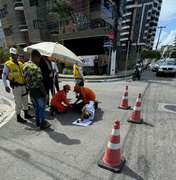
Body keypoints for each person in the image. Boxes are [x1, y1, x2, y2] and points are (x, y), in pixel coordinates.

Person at [2, 47, 33, 123]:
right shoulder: (8, 64)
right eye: (11, 54)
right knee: (18, 102)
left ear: (17, 54)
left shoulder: (20, 63)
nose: (13, 55)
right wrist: (6, 86)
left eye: (14, 54)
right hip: (16, 86)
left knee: (25, 100)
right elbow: (4, 75)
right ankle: (18, 117)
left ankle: (26, 114)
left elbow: (24, 74)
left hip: (23, 85)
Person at [22, 49, 51, 129]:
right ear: (35, 57)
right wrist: (45, 94)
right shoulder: (35, 67)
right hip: (39, 91)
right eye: (38, 59)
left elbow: (24, 79)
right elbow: (40, 82)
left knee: (36, 108)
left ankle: (37, 123)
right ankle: (43, 124)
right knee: (41, 108)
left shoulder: (24, 66)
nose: (39, 61)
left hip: (31, 91)